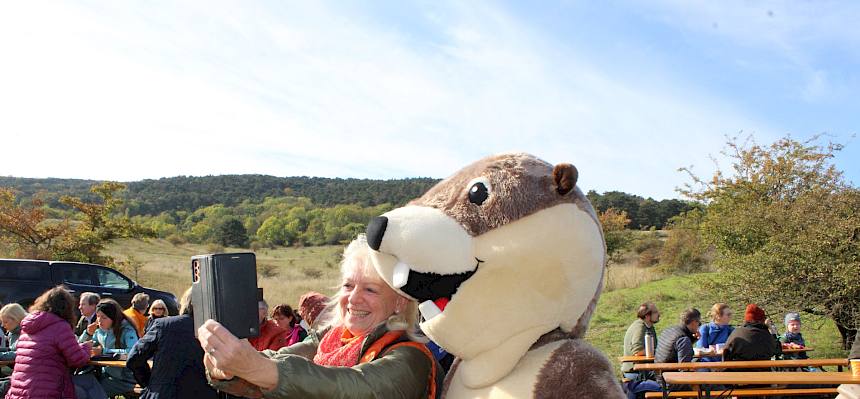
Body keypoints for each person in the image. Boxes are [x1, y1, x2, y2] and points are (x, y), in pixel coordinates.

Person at [197, 235, 443, 399]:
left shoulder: (410, 358)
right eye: (348, 286)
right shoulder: (330, 340)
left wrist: (255, 366)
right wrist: (225, 366)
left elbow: (347, 388)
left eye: (370, 289)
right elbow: (278, 360)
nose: (354, 299)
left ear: (400, 301)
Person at [126, 288, 218, 399]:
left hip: (162, 393)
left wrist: (151, 383)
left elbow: (134, 358)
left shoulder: (163, 325)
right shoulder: (218, 331)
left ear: (184, 303)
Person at [4, 286, 92, 399]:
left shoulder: (27, 329)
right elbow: (77, 359)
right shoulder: (60, 327)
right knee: (88, 390)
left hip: (18, 391)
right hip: (47, 392)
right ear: (67, 308)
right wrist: (86, 347)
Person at [79, 298, 140, 397]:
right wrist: (87, 333)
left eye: (104, 317)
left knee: (92, 393)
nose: (99, 320)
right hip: (105, 373)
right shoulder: (100, 330)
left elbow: (133, 352)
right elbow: (81, 346)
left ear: (113, 318)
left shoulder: (127, 330)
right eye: (98, 316)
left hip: (124, 379)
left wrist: (104, 351)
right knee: (79, 386)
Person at [621, 302, 661, 398]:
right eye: (655, 312)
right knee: (664, 388)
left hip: (645, 372)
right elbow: (637, 352)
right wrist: (659, 352)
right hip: (635, 375)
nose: (658, 314)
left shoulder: (649, 327)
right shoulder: (640, 327)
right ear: (647, 316)